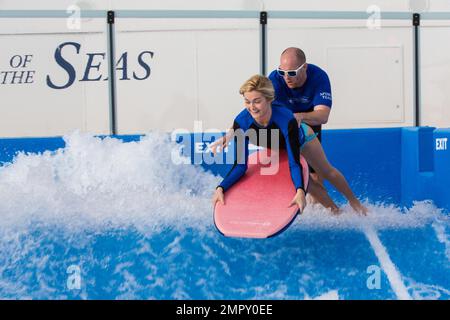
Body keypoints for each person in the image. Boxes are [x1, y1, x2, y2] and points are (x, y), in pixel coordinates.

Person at [212, 75, 367, 215]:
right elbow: (240, 165)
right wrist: (221, 187)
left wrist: (299, 191)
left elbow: (294, 162)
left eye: (257, 101)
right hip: (276, 145)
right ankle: (336, 212)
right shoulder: (241, 122)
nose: (251, 107)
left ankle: (355, 204)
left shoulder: (286, 119)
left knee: (326, 171)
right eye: (247, 101)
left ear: (270, 99)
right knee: (309, 184)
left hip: (302, 140)